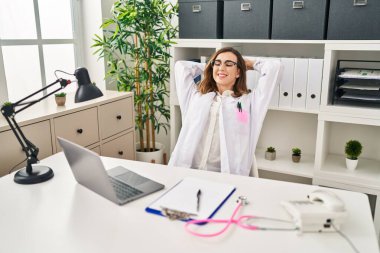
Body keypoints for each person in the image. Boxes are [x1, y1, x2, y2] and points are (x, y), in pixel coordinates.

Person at [169, 47, 283, 176]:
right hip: (188, 170)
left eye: (229, 64)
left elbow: (275, 68)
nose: (222, 68)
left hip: (226, 175)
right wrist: (210, 67)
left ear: (238, 72)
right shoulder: (196, 98)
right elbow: (181, 67)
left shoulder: (246, 104)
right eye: (217, 63)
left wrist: (248, 64)